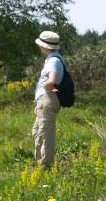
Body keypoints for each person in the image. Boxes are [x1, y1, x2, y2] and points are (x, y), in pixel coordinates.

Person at [32, 30, 64, 169]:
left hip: (47, 99)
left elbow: (51, 81)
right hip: (45, 100)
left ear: (45, 46)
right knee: (37, 131)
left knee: (45, 134)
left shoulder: (53, 61)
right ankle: (40, 163)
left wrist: (47, 91)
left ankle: (45, 166)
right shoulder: (53, 58)